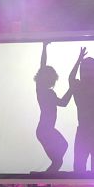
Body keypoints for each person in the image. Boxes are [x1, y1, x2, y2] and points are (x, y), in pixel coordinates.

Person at [68, 47, 94, 174]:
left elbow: (71, 79)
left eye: (89, 69)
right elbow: (71, 79)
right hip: (83, 127)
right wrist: (79, 60)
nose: (87, 72)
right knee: (78, 165)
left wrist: (79, 61)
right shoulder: (80, 86)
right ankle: (92, 176)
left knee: (92, 150)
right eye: (85, 69)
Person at [34, 42, 72, 173]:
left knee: (63, 149)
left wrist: (71, 89)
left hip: (47, 130)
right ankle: (47, 175)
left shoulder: (47, 92)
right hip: (44, 130)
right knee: (58, 160)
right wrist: (44, 47)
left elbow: (63, 103)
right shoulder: (41, 90)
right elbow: (42, 66)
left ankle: (48, 174)